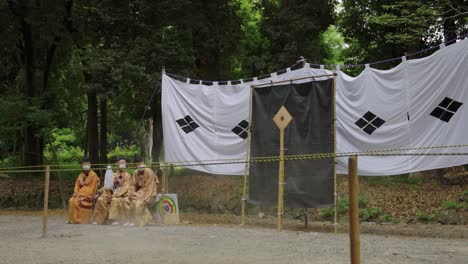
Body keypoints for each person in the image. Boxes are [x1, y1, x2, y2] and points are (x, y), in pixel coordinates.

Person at [128, 156, 160, 227]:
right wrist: (131, 193)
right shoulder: (136, 172)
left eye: (140, 164)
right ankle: (133, 221)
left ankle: (141, 222)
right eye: (137, 165)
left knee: (138, 204)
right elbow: (132, 185)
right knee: (132, 202)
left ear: (143, 163)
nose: (138, 166)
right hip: (140, 192)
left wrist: (146, 198)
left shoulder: (149, 171)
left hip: (150, 193)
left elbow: (151, 187)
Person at [67, 157, 100, 224]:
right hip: (79, 194)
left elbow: (92, 188)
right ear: (82, 165)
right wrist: (76, 193)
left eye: (88, 164)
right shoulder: (80, 175)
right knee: (71, 200)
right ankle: (72, 219)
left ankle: (79, 220)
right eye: (85, 164)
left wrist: (80, 195)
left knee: (77, 201)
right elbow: (77, 186)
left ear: (90, 165)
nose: (86, 166)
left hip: (88, 194)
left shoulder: (93, 175)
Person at [107, 157, 134, 225]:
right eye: (121, 163)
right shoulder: (113, 175)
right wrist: (114, 183)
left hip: (124, 194)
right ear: (117, 164)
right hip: (115, 193)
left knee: (121, 200)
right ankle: (115, 220)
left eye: (124, 163)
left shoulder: (128, 175)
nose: (123, 165)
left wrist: (117, 194)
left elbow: (126, 186)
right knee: (113, 200)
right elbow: (110, 186)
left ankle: (126, 220)